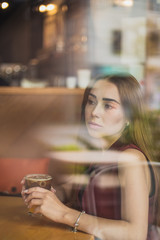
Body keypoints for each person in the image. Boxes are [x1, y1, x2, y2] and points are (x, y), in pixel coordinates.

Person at [21, 74, 159, 240]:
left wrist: (63, 213)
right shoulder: (101, 153)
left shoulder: (130, 159)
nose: (94, 112)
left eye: (108, 106)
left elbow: (135, 235)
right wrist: (47, 196)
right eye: (91, 102)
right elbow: (76, 189)